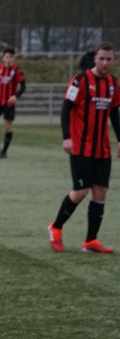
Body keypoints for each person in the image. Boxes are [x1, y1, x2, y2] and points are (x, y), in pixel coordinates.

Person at [48, 42, 120, 254]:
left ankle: (90, 241)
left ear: (114, 61)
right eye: (101, 58)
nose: (105, 62)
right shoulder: (80, 80)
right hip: (81, 147)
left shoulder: (114, 84)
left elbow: (114, 113)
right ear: (95, 58)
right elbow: (66, 108)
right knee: (80, 191)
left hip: (102, 149)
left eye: (109, 59)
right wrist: (66, 138)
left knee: (100, 192)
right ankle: (55, 228)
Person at [0, 48, 26, 158]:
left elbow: (23, 86)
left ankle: (4, 151)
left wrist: (16, 96)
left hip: (9, 103)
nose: (9, 59)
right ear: (3, 58)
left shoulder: (17, 70)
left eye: (11, 57)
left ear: (14, 59)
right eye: (7, 57)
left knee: (8, 126)